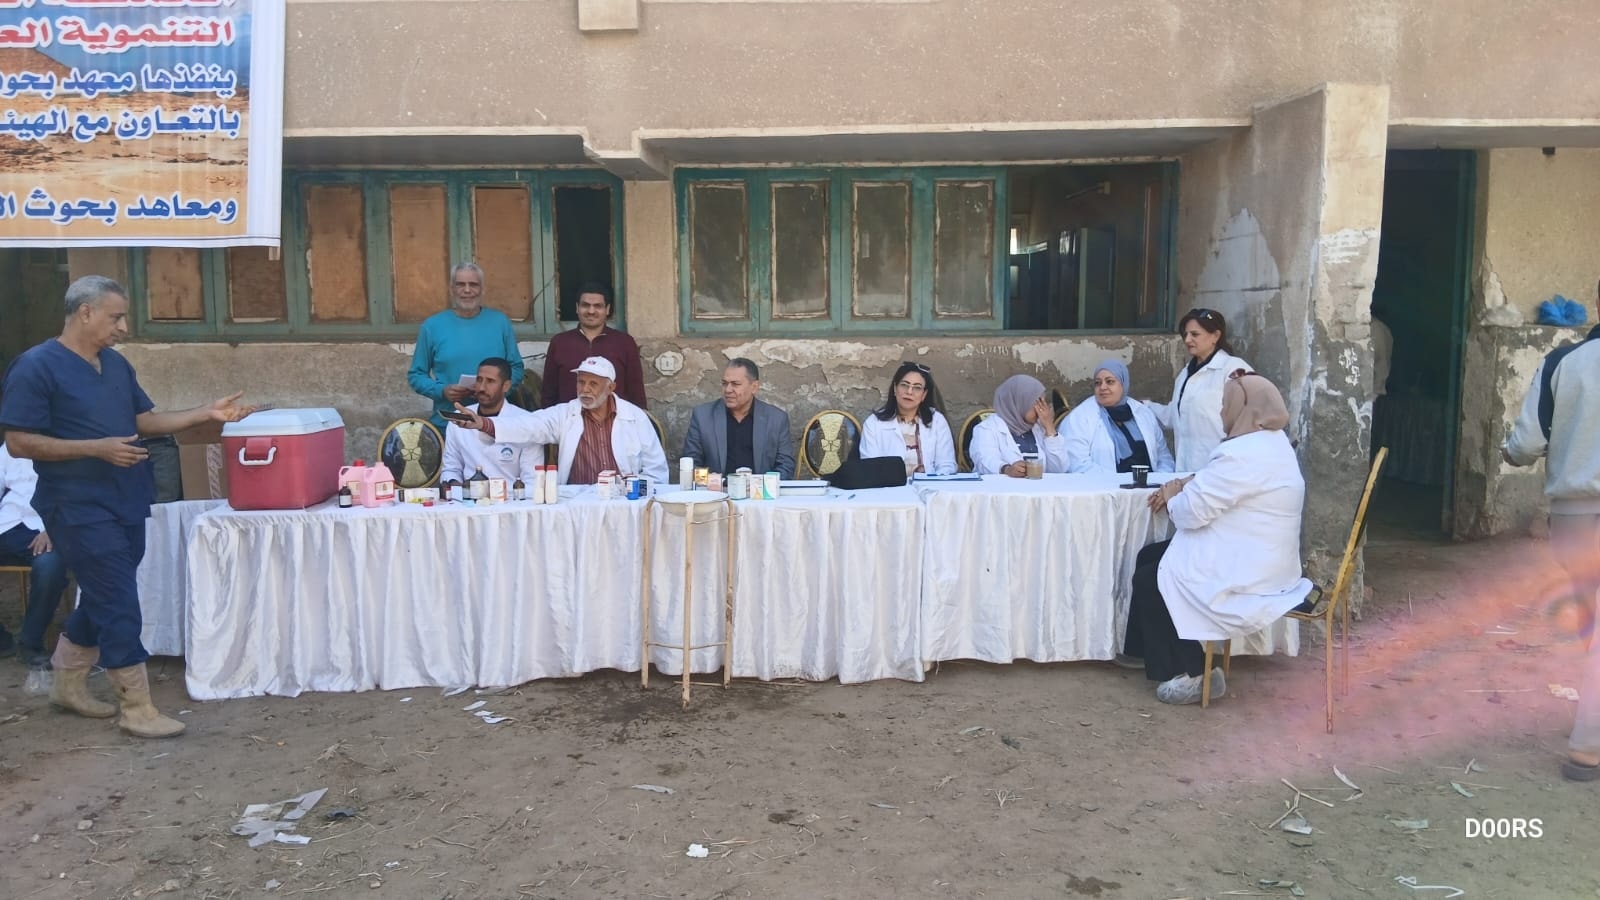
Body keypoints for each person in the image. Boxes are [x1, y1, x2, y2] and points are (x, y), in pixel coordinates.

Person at [0, 275, 254, 738]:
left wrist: (205, 413)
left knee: (105, 590)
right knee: (118, 597)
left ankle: (66, 682)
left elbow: (143, 420)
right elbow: (18, 442)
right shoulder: (35, 366)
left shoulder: (115, 365)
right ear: (85, 312)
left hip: (127, 496)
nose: (123, 327)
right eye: (116, 317)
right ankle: (136, 706)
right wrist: (95, 449)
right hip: (75, 503)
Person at [1123, 371, 1313, 705]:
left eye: (1226, 403)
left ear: (1245, 407)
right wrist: (1187, 483)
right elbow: (1216, 484)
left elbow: (1190, 515)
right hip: (1265, 556)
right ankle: (1145, 651)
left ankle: (1194, 672)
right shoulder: (1272, 442)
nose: (1222, 411)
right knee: (1151, 556)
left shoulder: (1242, 453)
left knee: (1152, 578)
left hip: (1248, 567)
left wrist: (1172, 494)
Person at [1502, 285, 1600, 782]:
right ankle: (1587, 745)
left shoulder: (1564, 362)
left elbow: (1525, 445)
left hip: (1574, 518)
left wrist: (1509, 451)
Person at [452, 356, 667, 487]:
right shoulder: (565, 414)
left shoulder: (635, 417)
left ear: (611, 387)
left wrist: (633, 493)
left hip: (624, 503)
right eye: (581, 382)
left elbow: (656, 472)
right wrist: (483, 424)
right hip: (577, 503)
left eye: (593, 384)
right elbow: (528, 425)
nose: (585, 389)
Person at [408, 263, 524, 428]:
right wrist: (442, 391)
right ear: (452, 289)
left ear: (482, 289)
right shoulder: (432, 326)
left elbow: (516, 368)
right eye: (460, 284)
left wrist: (494, 392)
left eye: (473, 284)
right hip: (449, 423)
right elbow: (416, 375)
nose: (467, 290)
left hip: (495, 424)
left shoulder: (500, 322)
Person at [1144, 308, 1252, 472]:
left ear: (1215, 336)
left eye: (1195, 334)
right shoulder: (1185, 374)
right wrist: (1146, 407)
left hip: (1222, 469)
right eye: (1186, 334)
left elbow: (1250, 419)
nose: (1188, 340)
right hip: (1187, 470)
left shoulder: (1233, 368)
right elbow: (1176, 416)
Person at [0, 442, 70, 667]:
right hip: (6, 524)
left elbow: (80, 493)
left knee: (50, 566)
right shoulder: (9, 447)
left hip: (44, 530)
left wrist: (55, 528)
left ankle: (30, 643)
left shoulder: (70, 443)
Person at [681, 358, 796, 478]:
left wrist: (763, 485)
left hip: (760, 488)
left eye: (735, 384)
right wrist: (710, 480)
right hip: (717, 488)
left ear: (754, 387)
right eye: (724, 383)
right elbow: (690, 464)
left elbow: (786, 466)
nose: (728, 390)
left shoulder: (776, 419)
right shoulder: (703, 416)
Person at [541, 283, 648, 410]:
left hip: (615, 419)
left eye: (598, 306)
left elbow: (636, 391)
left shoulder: (624, 343)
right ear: (577, 308)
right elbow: (548, 392)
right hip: (568, 418)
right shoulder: (560, 342)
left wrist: (640, 417)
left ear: (607, 309)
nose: (591, 311)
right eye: (585, 305)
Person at [439, 357, 540, 488]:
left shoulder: (526, 421)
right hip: (468, 497)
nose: (482, 387)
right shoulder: (460, 419)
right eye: (479, 380)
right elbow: (451, 469)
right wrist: (456, 487)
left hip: (512, 498)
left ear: (506, 386)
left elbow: (531, 479)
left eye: (490, 381)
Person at [1064, 359, 1174, 475]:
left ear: (1123, 384)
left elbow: (1164, 457)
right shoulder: (1080, 417)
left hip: (1150, 484)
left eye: (1110, 382)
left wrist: (1158, 480)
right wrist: (1115, 482)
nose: (1103, 387)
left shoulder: (1143, 412)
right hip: (1103, 485)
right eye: (1098, 383)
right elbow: (1078, 464)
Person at [858, 362, 956, 477]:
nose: (909, 391)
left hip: (929, 486)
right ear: (895, 389)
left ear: (924, 395)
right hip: (889, 486)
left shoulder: (937, 421)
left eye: (917, 388)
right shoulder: (874, 423)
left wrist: (932, 481)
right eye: (904, 385)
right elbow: (870, 468)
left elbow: (947, 464)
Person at [969, 374, 1068, 477]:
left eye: (1043, 403)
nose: (1041, 410)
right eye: (1037, 404)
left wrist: (1049, 428)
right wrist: (1006, 469)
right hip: (1003, 487)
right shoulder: (987, 429)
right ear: (1019, 402)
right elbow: (984, 461)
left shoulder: (1040, 428)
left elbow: (1059, 469)